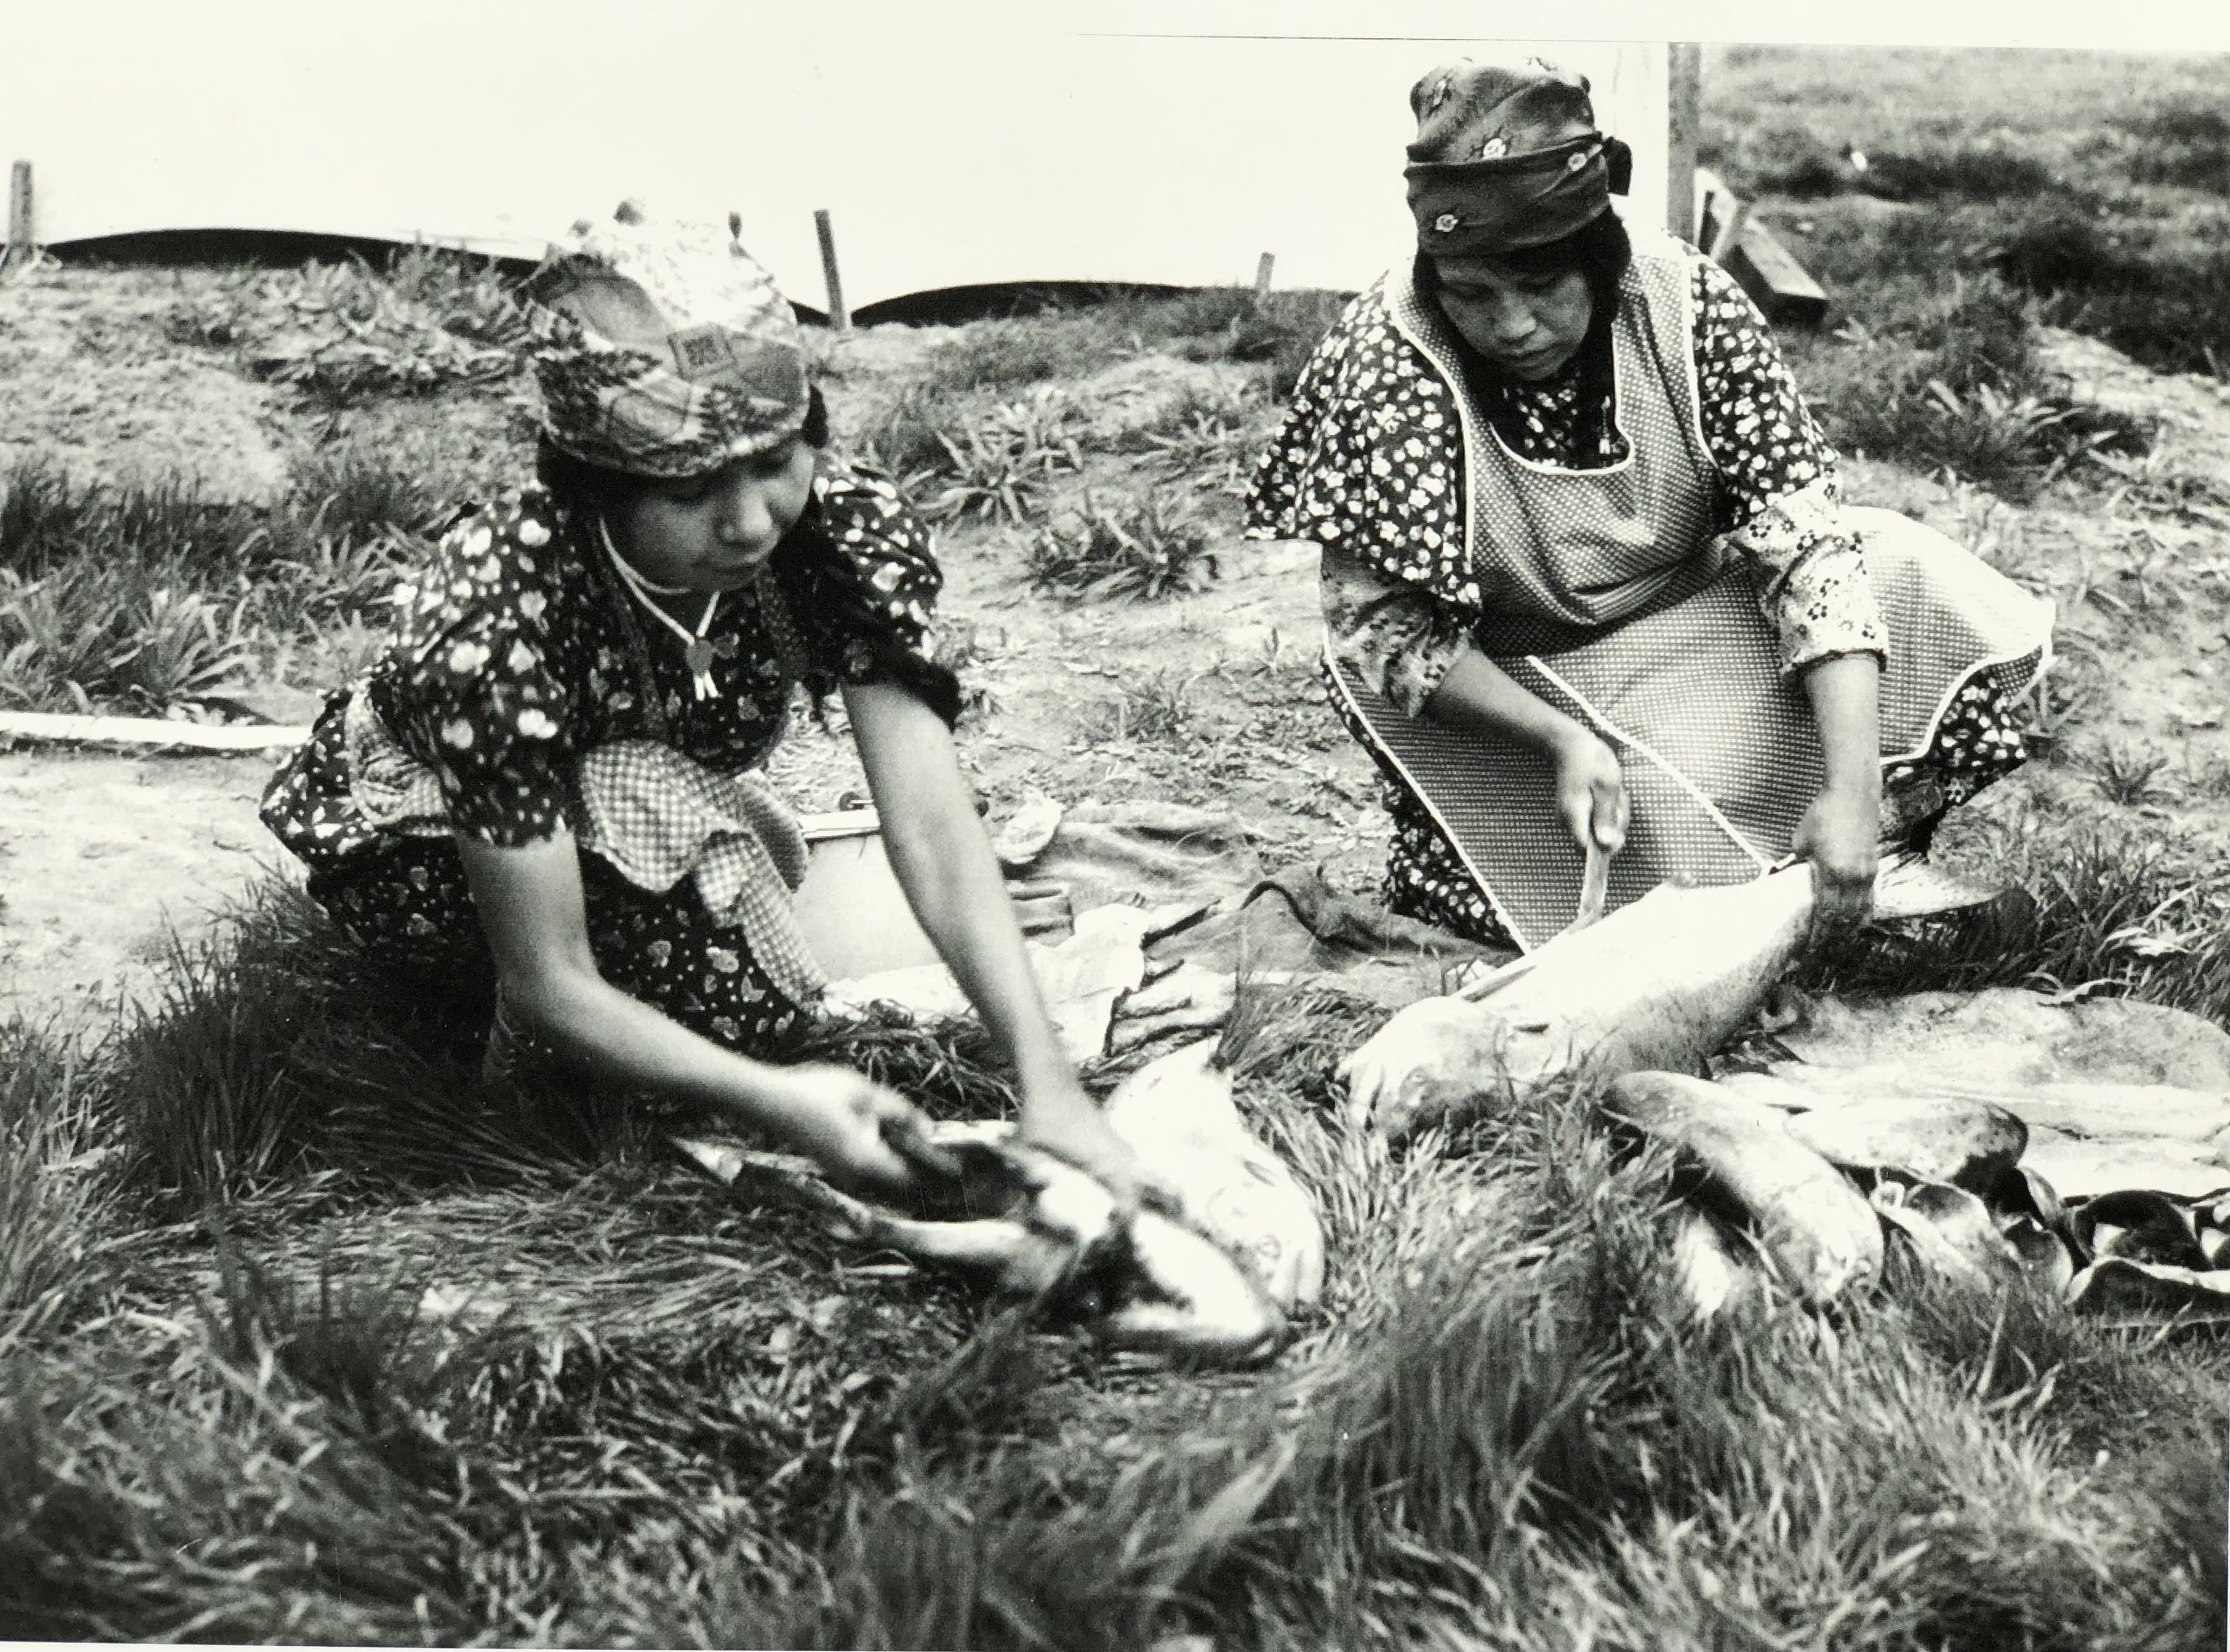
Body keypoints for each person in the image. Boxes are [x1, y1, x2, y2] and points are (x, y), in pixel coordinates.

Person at [261, 201, 1138, 1200]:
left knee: (724, 956)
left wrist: (1048, 1082)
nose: (751, 519)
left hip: (636, 799)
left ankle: (621, 1016)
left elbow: (935, 829)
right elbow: (549, 977)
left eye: (775, 463)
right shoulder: (499, 603)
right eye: (689, 492)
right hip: (423, 848)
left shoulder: (841, 533)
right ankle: (499, 1086)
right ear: (596, 487)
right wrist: (780, 1099)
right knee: (727, 1010)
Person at [1246, 60, 2053, 953]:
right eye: (1472, 294)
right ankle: (1758, 885)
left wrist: (1854, 793)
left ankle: (1856, 855)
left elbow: (1806, 551)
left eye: (1544, 286)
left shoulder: (1684, 303)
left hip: (1689, 631)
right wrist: (1558, 740)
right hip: (1514, 684)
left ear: (1600, 259)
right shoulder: (1388, 360)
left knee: (1899, 566)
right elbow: (1386, 627)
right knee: (1644, 857)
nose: (1510, 325)